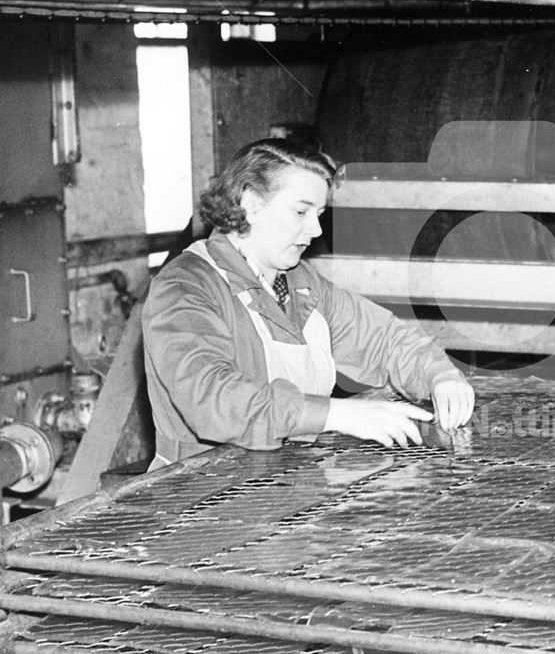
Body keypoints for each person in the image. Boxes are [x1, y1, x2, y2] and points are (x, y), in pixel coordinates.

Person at [143, 138, 475, 469]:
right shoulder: (185, 287)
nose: (315, 229)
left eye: (319, 214)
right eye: (301, 211)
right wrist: (337, 413)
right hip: (197, 489)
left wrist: (439, 375)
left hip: (282, 479)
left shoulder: (300, 282)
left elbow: (381, 340)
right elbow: (212, 398)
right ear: (252, 203)